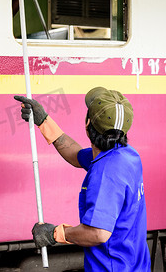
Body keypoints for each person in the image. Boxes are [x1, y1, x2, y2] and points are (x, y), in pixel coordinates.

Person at [14, 87, 151, 271]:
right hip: (135, 266)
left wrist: (54, 234)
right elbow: (76, 154)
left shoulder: (106, 172)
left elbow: (98, 233)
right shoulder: (126, 155)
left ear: (87, 125)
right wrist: (44, 121)